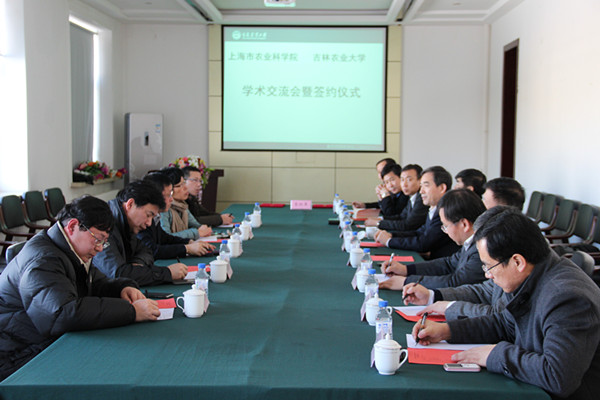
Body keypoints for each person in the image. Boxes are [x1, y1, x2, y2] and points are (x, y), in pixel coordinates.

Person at [412, 207, 600, 400]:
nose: (487, 275)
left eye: (489, 266)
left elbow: (557, 376)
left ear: (517, 262)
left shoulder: (567, 298)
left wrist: (494, 355)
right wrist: (447, 331)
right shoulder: (530, 275)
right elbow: (504, 323)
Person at [0, 196, 160, 381]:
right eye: (98, 239)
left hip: (39, 340)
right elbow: (62, 314)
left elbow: (95, 283)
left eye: (104, 242)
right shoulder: (43, 260)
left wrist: (122, 288)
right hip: (17, 354)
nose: (100, 249)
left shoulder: (68, 249)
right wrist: (131, 311)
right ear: (73, 226)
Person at [380, 189, 487, 291]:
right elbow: (448, 264)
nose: (445, 231)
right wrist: (406, 269)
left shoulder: (482, 248)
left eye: (446, 226)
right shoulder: (471, 241)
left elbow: (456, 282)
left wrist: (408, 281)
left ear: (464, 224)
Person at [92, 180, 188, 286]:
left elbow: (146, 250)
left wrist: (138, 264)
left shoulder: (128, 223)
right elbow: (118, 274)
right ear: (130, 204)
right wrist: (167, 273)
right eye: (148, 215)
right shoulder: (103, 225)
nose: (149, 223)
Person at [375, 166, 460, 259]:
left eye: (426, 185)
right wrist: (392, 235)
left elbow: (423, 243)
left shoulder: (447, 210)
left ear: (442, 188)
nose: (421, 191)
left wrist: (389, 241)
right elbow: (419, 232)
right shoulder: (434, 208)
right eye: (421, 186)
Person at [138, 172, 215, 259]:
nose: (171, 199)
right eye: (168, 195)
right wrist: (187, 248)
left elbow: (165, 238)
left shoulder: (156, 216)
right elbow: (152, 250)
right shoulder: (143, 219)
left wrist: (189, 242)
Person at [365, 164, 428, 232]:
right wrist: (380, 219)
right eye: (402, 180)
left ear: (420, 180)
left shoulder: (422, 199)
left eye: (409, 180)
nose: (404, 184)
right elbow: (401, 216)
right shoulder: (413, 196)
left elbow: (408, 225)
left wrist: (379, 223)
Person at [160, 167, 213, 240]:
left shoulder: (182, 205)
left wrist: (203, 228)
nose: (185, 188)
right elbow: (165, 237)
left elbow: (197, 226)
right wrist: (195, 233)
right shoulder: (164, 209)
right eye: (179, 185)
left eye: (184, 183)